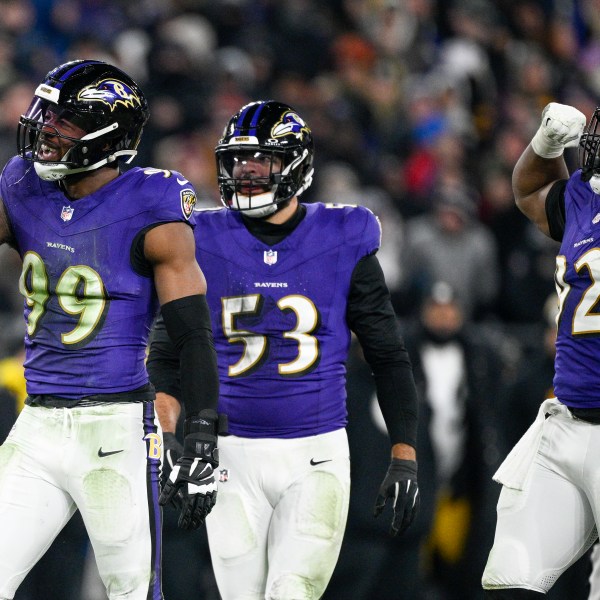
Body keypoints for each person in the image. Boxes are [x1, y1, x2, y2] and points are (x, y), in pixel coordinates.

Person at [147, 99, 420, 600]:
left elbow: (387, 353)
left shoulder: (343, 234)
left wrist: (403, 452)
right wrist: (168, 436)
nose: (245, 173)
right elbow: (166, 353)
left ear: (295, 165)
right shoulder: (199, 236)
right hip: (227, 455)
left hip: (315, 454)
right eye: (238, 161)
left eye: (262, 161)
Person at [0, 59, 221, 600]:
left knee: (132, 592)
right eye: (47, 113)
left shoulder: (153, 203)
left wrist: (202, 431)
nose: (47, 129)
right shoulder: (22, 184)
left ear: (108, 138)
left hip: (117, 428)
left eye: (66, 120)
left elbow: (191, 331)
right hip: (39, 424)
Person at [481, 101, 600, 598]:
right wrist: (547, 145)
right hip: (567, 426)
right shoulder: (584, 197)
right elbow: (528, 190)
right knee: (512, 575)